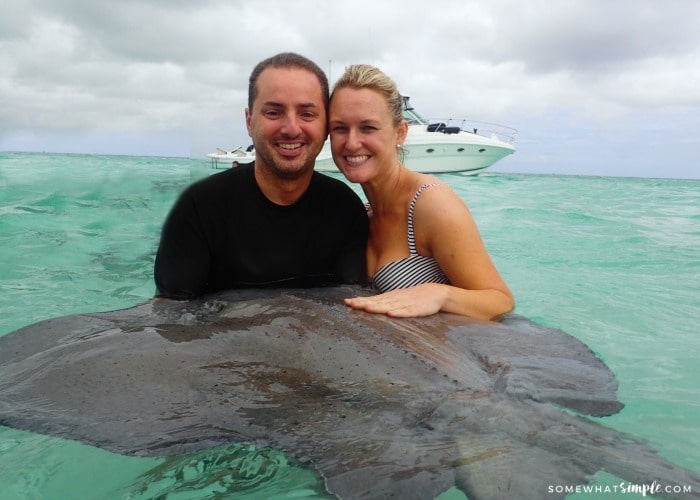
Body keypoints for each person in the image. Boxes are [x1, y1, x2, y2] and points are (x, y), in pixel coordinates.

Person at [154, 53, 369, 300]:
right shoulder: (198, 208)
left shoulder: (344, 210)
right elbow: (169, 317)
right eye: (273, 112)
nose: (291, 128)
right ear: (249, 121)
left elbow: (352, 309)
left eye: (307, 114)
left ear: (325, 125)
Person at [328, 64, 514, 320]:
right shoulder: (365, 215)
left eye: (368, 128)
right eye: (339, 128)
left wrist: (439, 294)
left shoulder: (431, 203)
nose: (351, 142)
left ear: (400, 132)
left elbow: (501, 300)